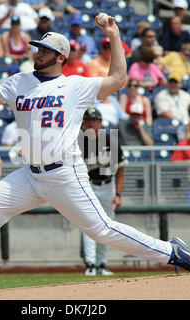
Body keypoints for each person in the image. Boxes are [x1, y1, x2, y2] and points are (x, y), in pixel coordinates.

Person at [0, 18, 190, 295]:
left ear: (60, 57)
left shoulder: (75, 87)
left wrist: (114, 36)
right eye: (37, 49)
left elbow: (118, 79)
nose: (37, 53)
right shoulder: (19, 82)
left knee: (102, 230)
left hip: (64, 173)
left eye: (44, 50)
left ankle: (173, 253)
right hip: (30, 175)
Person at [79, 107, 127, 276]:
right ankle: (90, 264)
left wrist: (118, 194)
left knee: (108, 225)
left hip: (108, 186)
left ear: (100, 122)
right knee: (89, 224)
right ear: (83, 123)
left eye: (94, 120)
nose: (91, 123)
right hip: (89, 186)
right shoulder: (78, 141)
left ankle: (101, 264)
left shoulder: (110, 140)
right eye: (88, 120)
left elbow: (121, 170)